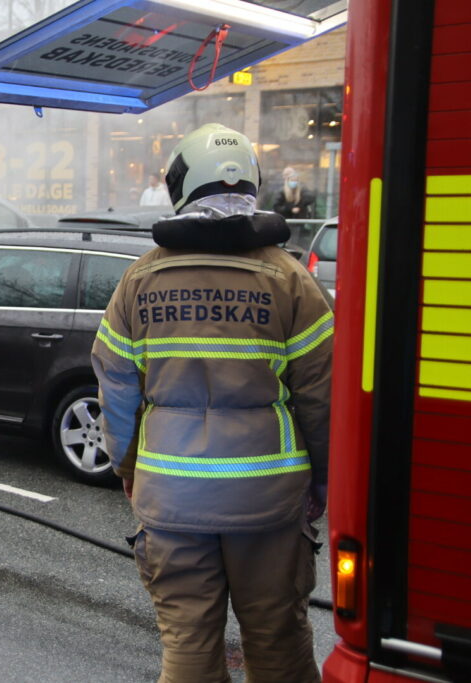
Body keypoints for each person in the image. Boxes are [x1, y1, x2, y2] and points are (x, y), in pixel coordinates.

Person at [91, 123, 332, 683]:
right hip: (268, 498)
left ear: (181, 184)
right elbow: (321, 397)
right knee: (278, 642)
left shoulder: (139, 280)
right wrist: (322, 481)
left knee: (188, 647)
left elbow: (116, 387)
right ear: (252, 181)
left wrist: (129, 469)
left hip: (171, 495)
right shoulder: (291, 280)